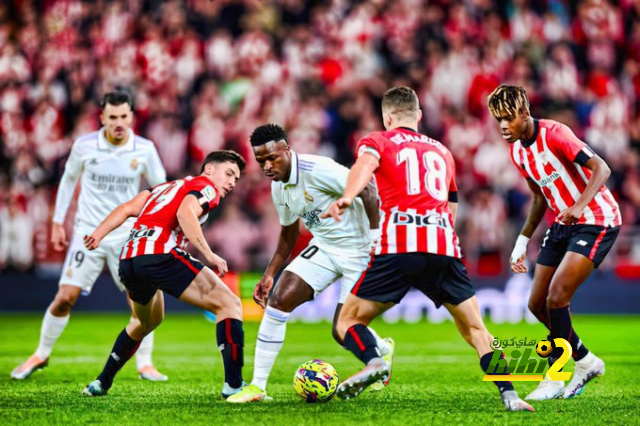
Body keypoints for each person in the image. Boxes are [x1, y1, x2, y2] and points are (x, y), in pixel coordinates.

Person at [322, 86, 533, 411]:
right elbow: (452, 204)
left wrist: (347, 197)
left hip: (399, 247)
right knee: (476, 329)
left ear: (386, 116)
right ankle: (511, 396)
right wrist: (441, 236)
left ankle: (375, 361)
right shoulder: (442, 151)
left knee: (347, 321)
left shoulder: (377, 140)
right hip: (443, 247)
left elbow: (364, 166)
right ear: (418, 116)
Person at [226, 124, 393, 403]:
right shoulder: (279, 187)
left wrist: (377, 239)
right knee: (278, 299)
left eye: (272, 158)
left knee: (342, 331)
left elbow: (368, 188)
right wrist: (269, 274)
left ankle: (381, 352)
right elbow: (289, 233)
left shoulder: (319, 169)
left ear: (286, 149)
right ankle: (257, 387)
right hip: (325, 248)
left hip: (361, 250)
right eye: (261, 161)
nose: (267, 166)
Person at [12, 91, 169, 382]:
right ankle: (41, 353)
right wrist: (58, 222)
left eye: (123, 116)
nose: (118, 122)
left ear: (131, 117)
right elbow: (68, 180)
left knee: (140, 303)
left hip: (127, 235)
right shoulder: (84, 146)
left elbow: (162, 190)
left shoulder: (144, 149)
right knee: (64, 297)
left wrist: (162, 228)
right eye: (112, 117)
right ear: (102, 118)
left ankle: (145, 362)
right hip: (88, 232)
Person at [487, 85, 621, 400]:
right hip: (562, 223)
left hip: (596, 218)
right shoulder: (517, 150)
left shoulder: (555, 134)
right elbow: (538, 197)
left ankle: (555, 375)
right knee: (536, 304)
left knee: (557, 298)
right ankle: (586, 360)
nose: (504, 126)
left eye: (508, 118)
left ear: (524, 113)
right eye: (498, 120)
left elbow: (602, 168)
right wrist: (522, 240)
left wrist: (578, 206)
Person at [82, 150, 247, 398]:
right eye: (229, 173)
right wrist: (209, 254)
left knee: (147, 321)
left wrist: (98, 233)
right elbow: (185, 212)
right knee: (230, 304)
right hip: (159, 254)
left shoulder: (161, 189)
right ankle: (234, 386)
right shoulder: (207, 186)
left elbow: (127, 208)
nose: (232, 182)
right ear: (210, 169)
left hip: (129, 260)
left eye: (236, 179)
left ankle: (101, 382)